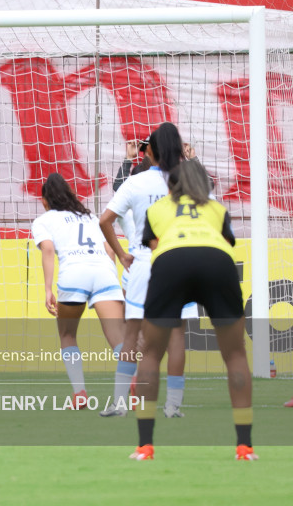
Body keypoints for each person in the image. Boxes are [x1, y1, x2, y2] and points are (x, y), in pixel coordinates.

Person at [132, 160, 254, 461]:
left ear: (171, 185)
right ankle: (244, 447)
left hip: (171, 260)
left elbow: (154, 245)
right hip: (218, 262)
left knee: (150, 354)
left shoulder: (158, 208)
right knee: (236, 355)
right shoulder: (216, 209)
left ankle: (145, 446)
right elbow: (227, 242)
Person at [99, 123, 185, 419]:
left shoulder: (135, 183)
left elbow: (104, 220)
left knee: (132, 332)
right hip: (178, 263)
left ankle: (120, 402)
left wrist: (122, 254)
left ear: (149, 151)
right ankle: (173, 406)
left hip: (142, 263)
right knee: (176, 337)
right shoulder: (188, 182)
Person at [32, 174, 124, 410]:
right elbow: (110, 251)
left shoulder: (44, 220)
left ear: (45, 201)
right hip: (104, 271)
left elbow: (49, 250)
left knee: (68, 335)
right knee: (118, 338)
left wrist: (47, 288)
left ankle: (80, 393)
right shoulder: (90, 217)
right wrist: (111, 278)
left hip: (74, 274)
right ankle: (131, 386)